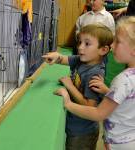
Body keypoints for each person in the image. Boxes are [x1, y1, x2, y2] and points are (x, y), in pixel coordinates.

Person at [55, 16, 135, 150]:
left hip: (119, 144)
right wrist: (108, 92)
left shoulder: (123, 80)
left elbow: (98, 113)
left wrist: (68, 102)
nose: (112, 46)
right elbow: (127, 99)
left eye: (118, 42)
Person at [42, 24, 113, 150]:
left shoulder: (94, 74)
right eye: (79, 42)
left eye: (87, 44)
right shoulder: (83, 60)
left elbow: (90, 106)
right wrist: (56, 56)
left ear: (103, 50)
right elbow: (65, 59)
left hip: (83, 133)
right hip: (75, 127)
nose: (80, 47)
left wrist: (70, 86)